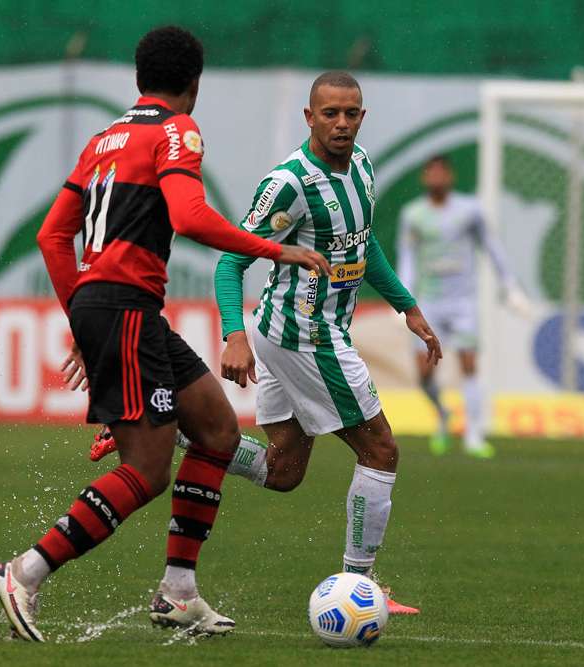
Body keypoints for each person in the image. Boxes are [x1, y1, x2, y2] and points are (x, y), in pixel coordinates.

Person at [0, 26, 328, 642]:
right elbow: (189, 217)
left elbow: (52, 236)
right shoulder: (177, 130)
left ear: (139, 78)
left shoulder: (103, 140)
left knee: (218, 431)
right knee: (146, 471)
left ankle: (178, 592)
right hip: (124, 308)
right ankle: (26, 572)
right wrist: (277, 250)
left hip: (122, 309)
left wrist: (83, 314)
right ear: (194, 83)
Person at [211, 71, 440, 615]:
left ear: (363, 116)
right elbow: (231, 261)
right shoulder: (290, 184)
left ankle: (169, 427)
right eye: (330, 113)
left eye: (351, 113)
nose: (341, 123)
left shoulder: (362, 167)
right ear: (309, 117)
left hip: (293, 331)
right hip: (305, 335)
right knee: (381, 450)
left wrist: (407, 305)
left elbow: (363, 243)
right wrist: (233, 334)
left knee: (283, 471)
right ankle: (360, 586)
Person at [396, 155, 530, 458]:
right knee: (424, 373)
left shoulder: (470, 211)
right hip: (429, 302)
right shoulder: (413, 215)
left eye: (441, 172)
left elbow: (492, 247)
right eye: (431, 172)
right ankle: (443, 415)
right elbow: (407, 257)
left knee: (469, 362)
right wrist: (403, 299)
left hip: (463, 302)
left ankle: (474, 435)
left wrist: (509, 286)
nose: (436, 177)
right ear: (424, 178)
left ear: (450, 176)